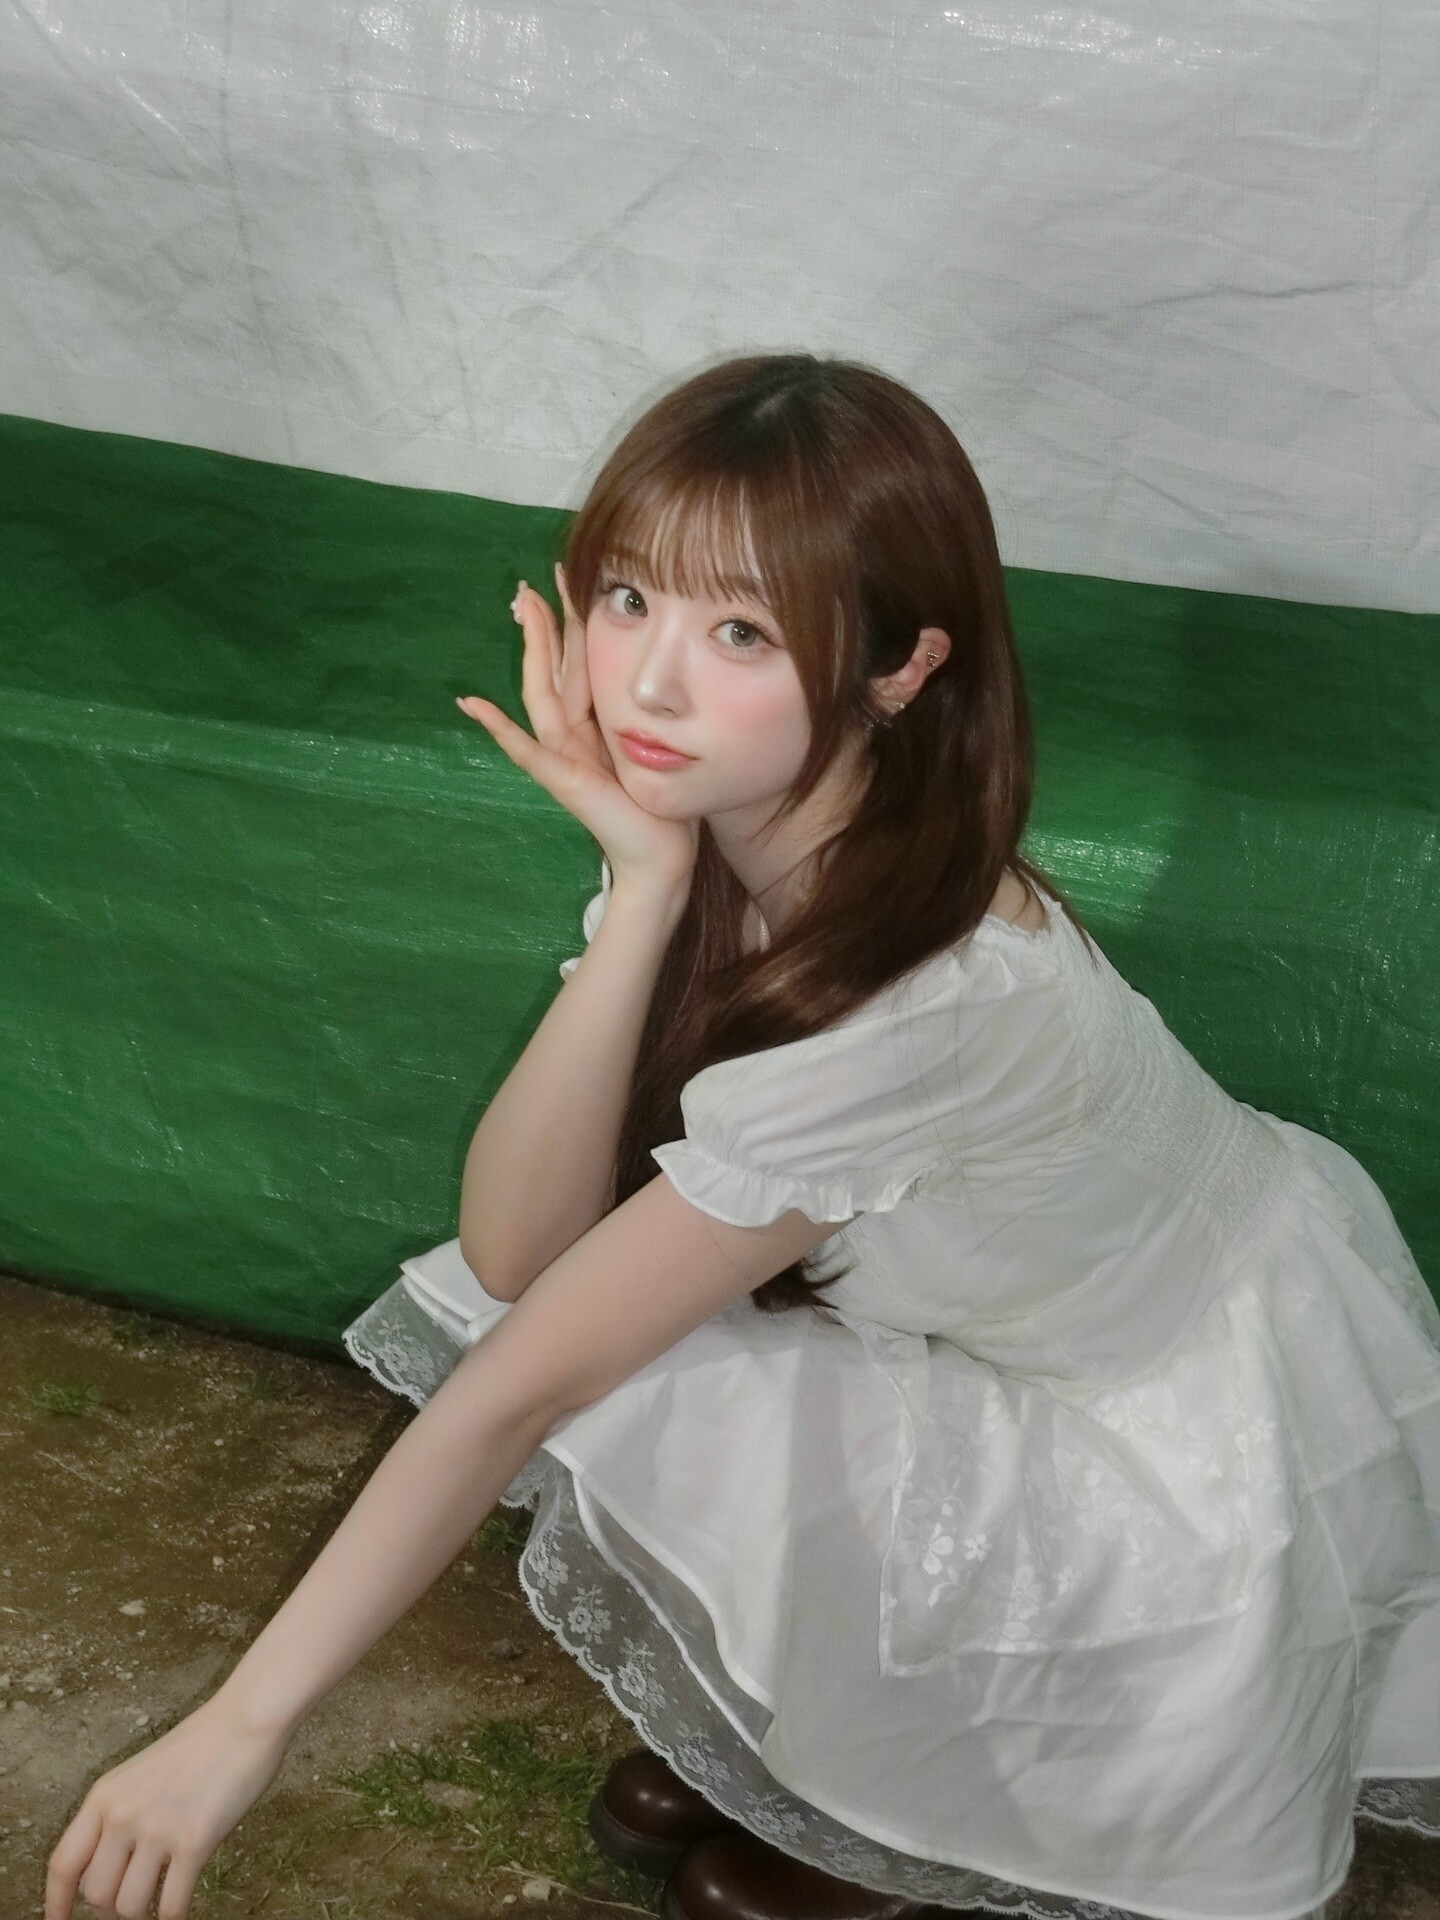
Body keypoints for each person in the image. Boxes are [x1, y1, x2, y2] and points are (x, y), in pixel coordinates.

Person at [46, 354, 1440, 1920]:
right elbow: (516, 1253)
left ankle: (944, 1799)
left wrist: (239, 1728)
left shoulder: (925, 1001)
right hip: (989, 1313)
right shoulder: (745, 829)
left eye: (743, 633)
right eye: (628, 597)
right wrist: (645, 888)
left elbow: (522, 1376)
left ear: (904, 668)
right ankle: (844, 1749)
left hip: (1169, 1428)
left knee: (625, 1367)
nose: (647, 686)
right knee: (621, 1328)